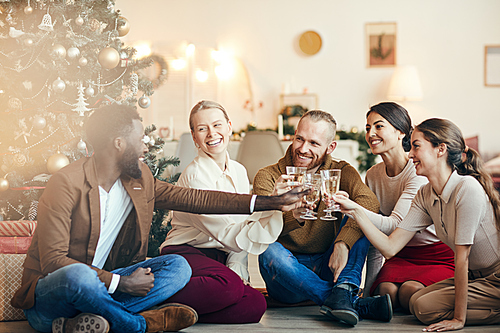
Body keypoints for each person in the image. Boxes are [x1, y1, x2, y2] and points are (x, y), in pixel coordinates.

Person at [11, 104, 307, 333]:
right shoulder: (67, 183)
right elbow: (53, 262)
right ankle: (139, 325)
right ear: (118, 143)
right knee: (79, 275)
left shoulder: (137, 179)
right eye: (140, 138)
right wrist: (120, 283)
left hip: (105, 291)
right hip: (52, 300)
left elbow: (196, 198)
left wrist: (270, 201)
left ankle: (90, 322)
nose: (147, 144)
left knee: (177, 266)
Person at [334, 118, 500, 331]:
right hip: (475, 278)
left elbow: (462, 258)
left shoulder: (467, 188)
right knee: (418, 303)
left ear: (440, 149)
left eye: (416, 146)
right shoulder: (426, 194)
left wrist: (459, 319)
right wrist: (355, 210)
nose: (410, 154)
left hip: (494, 276)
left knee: (424, 308)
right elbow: (390, 247)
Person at [253, 110, 392, 327]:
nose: (303, 148)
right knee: (267, 250)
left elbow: (370, 203)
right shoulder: (269, 175)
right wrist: (280, 207)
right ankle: (344, 299)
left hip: (330, 265)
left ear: (330, 147)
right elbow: (258, 230)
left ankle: (343, 290)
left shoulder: (341, 171)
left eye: (314, 143)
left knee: (363, 220)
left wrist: (342, 242)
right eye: (299, 138)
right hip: (287, 276)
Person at [159, 100, 282, 323]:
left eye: (217, 125)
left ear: (229, 126)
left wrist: (237, 267)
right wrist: (275, 204)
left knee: (256, 304)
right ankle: (157, 298)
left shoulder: (239, 170)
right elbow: (230, 235)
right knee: (230, 287)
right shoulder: (195, 176)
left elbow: (242, 225)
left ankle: (180, 311)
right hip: (186, 252)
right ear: (194, 136)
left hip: (218, 254)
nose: (211, 134)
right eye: (202, 128)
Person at [361, 102, 454, 312]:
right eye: (368, 128)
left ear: (400, 132)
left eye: (378, 126)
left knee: (408, 291)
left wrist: (355, 210)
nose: (371, 133)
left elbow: (393, 225)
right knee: (386, 292)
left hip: (436, 254)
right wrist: (367, 295)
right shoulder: (373, 175)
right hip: (401, 254)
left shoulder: (417, 172)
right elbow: (376, 238)